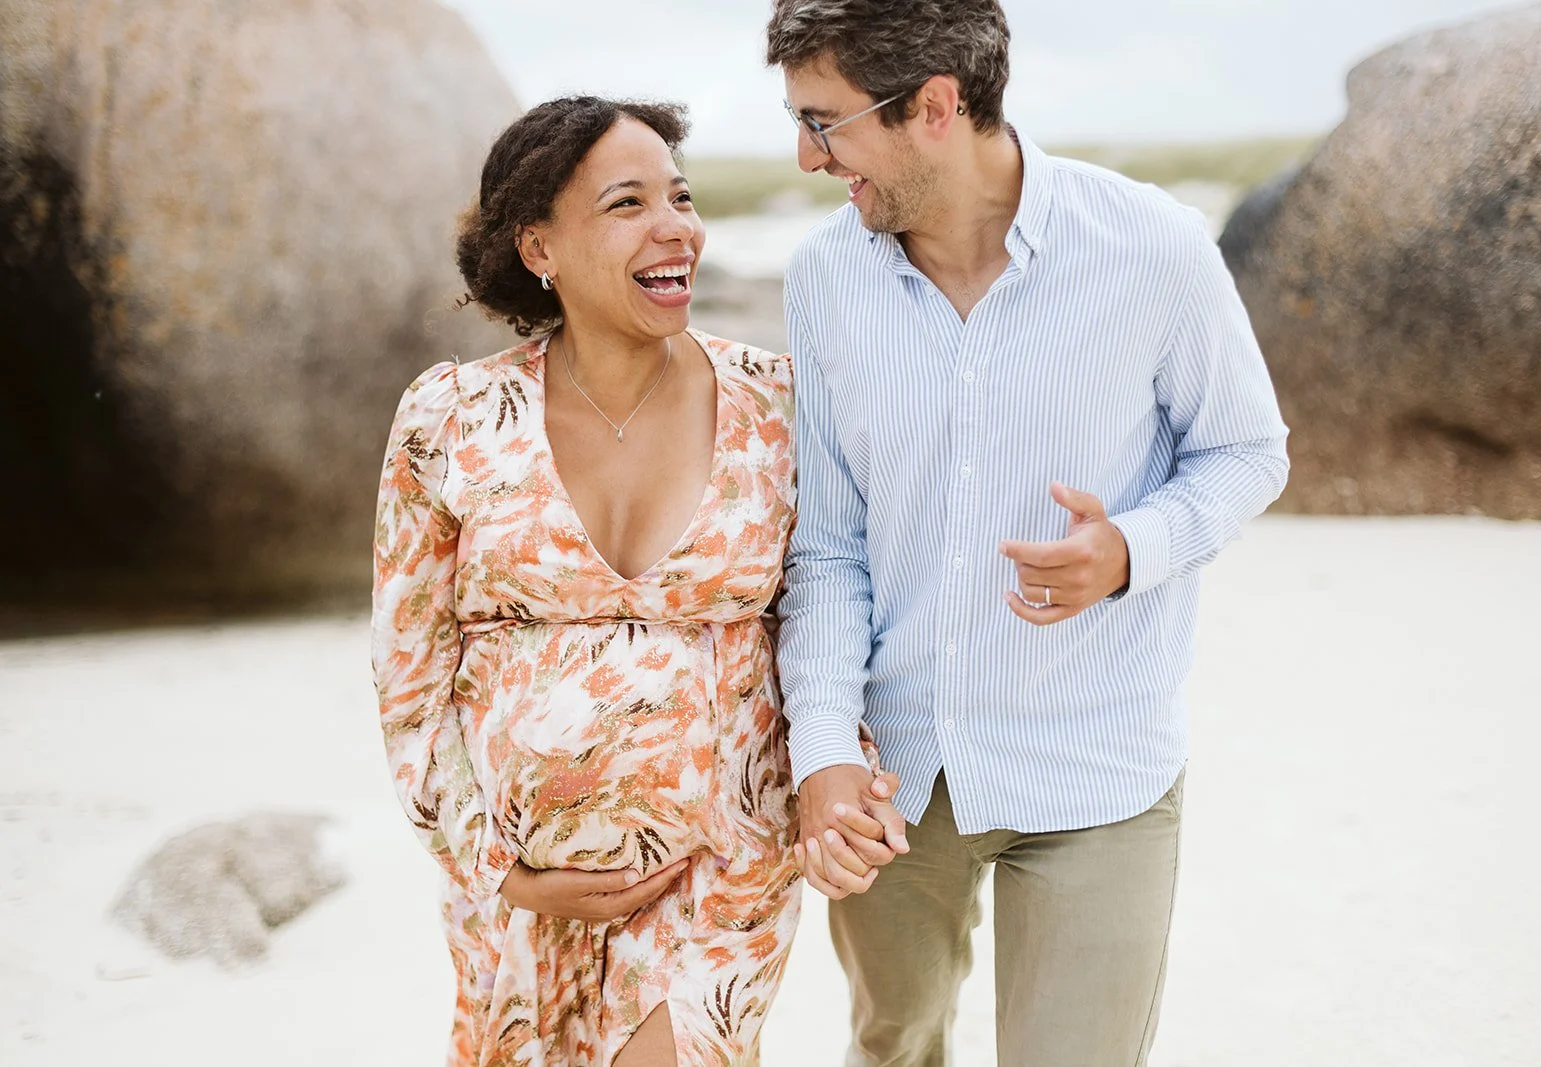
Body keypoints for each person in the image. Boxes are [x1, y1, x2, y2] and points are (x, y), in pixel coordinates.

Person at [765, 2, 1291, 1065]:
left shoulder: (1155, 249)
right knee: (893, 1044)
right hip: (892, 779)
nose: (805, 156)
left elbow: (1247, 451)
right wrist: (820, 750)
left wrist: (1132, 548)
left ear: (933, 108)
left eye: (823, 122)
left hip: (1099, 765)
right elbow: (824, 548)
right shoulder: (824, 278)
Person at [371, 95, 890, 1067]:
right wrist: (495, 865)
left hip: (722, 865)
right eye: (628, 203)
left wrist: (841, 760)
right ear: (539, 249)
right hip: (516, 891)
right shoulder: (450, 417)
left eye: (683, 197)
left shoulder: (777, 403)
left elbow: (826, 603)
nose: (677, 227)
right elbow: (407, 677)